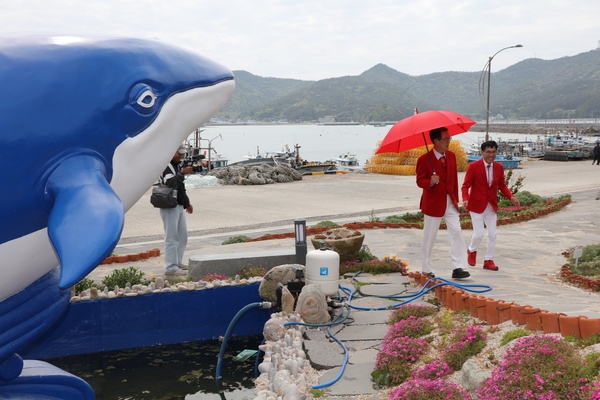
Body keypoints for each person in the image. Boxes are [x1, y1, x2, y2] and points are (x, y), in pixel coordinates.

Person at [416, 127, 470, 279]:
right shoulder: (423, 159)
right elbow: (420, 181)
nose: (448, 141)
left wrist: (455, 199)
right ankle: (426, 269)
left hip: (450, 201)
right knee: (429, 236)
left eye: (449, 138)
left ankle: (459, 267)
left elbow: (453, 180)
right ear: (436, 141)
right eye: (446, 139)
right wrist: (430, 182)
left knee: (457, 231)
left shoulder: (452, 156)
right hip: (433, 202)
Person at [461, 140, 520, 271]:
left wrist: (511, 196)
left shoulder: (499, 167)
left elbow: (502, 186)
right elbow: (465, 186)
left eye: (493, 152)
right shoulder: (473, 167)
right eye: (488, 152)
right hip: (476, 205)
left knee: (493, 234)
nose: (491, 155)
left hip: (491, 206)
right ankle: (471, 250)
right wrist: (465, 198)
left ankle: (489, 260)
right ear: (482, 152)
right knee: (479, 234)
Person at [159, 145, 194, 277]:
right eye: (179, 153)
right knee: (171, 237)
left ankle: (178, 262)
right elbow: (170, 183)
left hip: (178, 205)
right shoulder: (165, 165)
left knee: (182, 236)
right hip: (169, 205)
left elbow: (181, 187)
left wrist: (187, 203)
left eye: (182, 154)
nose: (181, 156)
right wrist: (182, 173)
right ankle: (171, 267)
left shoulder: (177, 165)